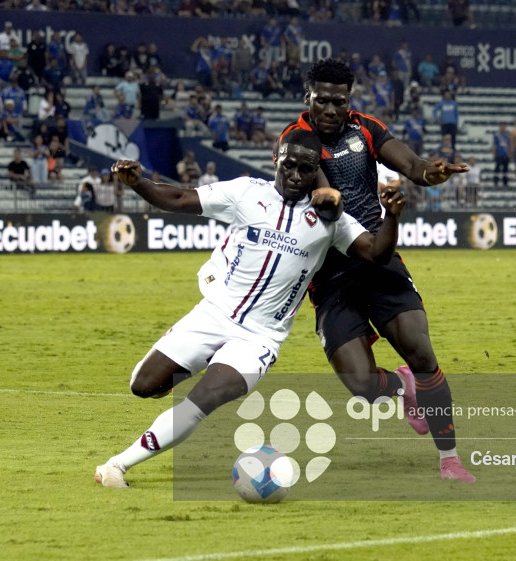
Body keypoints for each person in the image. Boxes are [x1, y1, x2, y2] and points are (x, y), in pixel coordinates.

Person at [94, 130, 406, 488]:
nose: (294, 175)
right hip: (213, 314)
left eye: (305, 169)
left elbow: (377, 252)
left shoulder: (328, 220)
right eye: (288, 165)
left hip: (260, 337)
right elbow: (180, 197)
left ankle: (117, 465)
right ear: (276, 161)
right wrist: (139, 183)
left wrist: (392, 217)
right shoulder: (246, 192)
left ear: (315, 171)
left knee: (201, 400)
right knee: (143, 385)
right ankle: (205, 362)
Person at [277, 58, 474, 482]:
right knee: (363, 387)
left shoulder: (365, 127)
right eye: (323, 100)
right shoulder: (296, 140)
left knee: (422, 353)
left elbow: (411, 165)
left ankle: (450, 459)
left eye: (340, 101)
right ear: (307, 98)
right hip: (330, 274)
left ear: (350, 100)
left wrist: (430, 172)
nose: (331, 109)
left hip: (380, 257)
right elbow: (325, 194)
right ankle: (401, 387)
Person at [491, 121, 510, 187]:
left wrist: (510, 154)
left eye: (504, 126)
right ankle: (496, 182)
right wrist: (494, 153)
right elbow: (494, 144)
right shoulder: (496, 135)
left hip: (506, 155)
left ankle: (505, 182)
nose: (502, 127)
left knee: (505, 169)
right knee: (497, 169)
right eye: (501, 126)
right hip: (499, 154)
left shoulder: (508, 135)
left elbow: (509, 145)